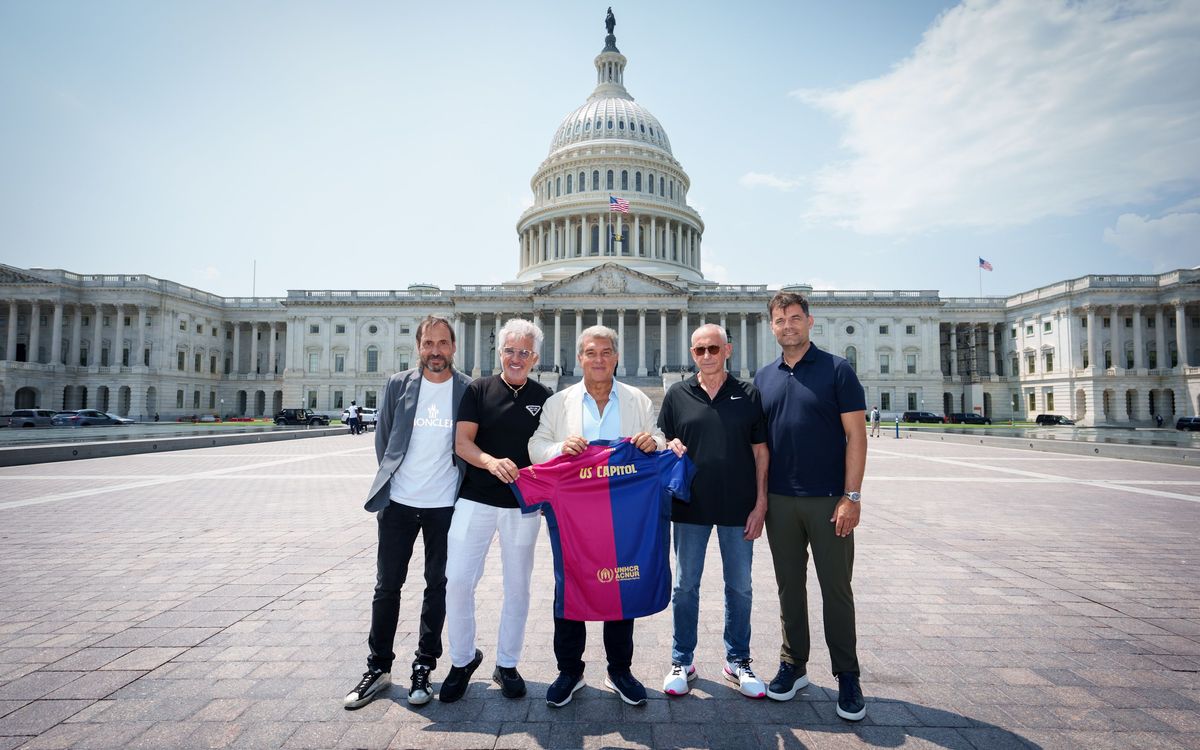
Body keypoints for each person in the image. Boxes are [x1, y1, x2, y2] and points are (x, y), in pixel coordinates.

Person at [527, 325, 675, 708]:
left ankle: (620, 669)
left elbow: (657, 438)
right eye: (591, 353)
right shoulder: (559, 403)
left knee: (620, 584)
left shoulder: (637, 399)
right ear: (580, 358)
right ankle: (569, 670)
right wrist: (561, 447)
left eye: (606, 352)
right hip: (576, 516)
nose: (598, 359)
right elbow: (536, 446)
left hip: (622, 512)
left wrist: (651, 443)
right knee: (571, 585)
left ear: (616, 357)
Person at [343, 316, 472, 710]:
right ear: (419, 346)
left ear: (453, 346)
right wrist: (396, 482)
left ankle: (424, 665)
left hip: (444, 505)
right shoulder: (398, 384)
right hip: (399, 503)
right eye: (428, 343)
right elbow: (385, 441)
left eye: (443, 343)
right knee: (387, 586)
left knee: (438, 587)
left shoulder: (468, 389)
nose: (436, 351)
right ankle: (378, 666)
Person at [753, 291, 869, 722]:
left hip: (828, 501)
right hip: (782, 501)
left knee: (836, 589)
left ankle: (847, 674)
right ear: (772, 326)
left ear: (810, 321)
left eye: (796, 318)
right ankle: (793, 663)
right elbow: (759, 446)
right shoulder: (763, 377)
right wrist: (760, 499)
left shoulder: (838, 370)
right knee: (788, 587)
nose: (789, 326)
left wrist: (851, 496)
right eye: (781, 320)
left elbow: (857, 436)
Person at [439, 319, 552, 703]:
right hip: (476, 498)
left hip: (522, 506)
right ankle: (462, 659)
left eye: (524, 352)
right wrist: (489, 461)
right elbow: (462, 443)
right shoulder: (478, 389)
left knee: (517, 587)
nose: (516, 358)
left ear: (534, 357)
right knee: (457, 580)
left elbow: (551, 451)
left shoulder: (545, 396)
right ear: (499, 352)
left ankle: (507, 663)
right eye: (509, 350)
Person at [657, 324, 769, 699]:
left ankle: (738, 659)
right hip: (691, 506)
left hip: (739, 506)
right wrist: (667, 442)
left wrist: (761, 502)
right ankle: (681, 659)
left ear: (728, 350)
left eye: (713, 349)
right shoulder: (676, 394)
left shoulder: (749, 394)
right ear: (692, 354)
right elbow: (662, 439)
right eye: (700, 350)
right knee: (685, 587)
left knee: (740, 587)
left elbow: (760, 452)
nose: (707, 355)